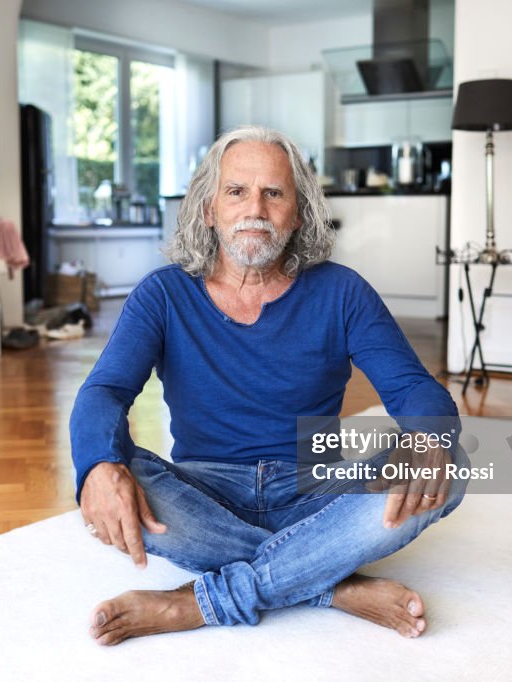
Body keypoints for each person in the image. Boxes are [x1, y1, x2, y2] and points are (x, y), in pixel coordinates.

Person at [70, 125, 467, 646]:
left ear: (298, 212)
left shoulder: (343, 292)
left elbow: (414, 388)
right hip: (203, 493)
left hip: (316, 490)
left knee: (452, 462)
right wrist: (99, 466)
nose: (254, 208)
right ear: (209, 209)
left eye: (273, 193)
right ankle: (331, 583)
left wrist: (430, 437)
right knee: (114, 471)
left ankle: (197, 603)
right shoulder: (162, 294)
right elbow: (103, 392)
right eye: (236, 191)